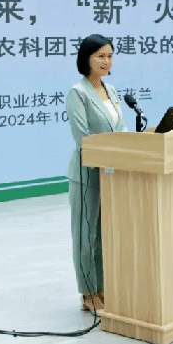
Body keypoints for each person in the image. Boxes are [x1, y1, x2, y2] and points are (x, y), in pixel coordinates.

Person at [65, 34, 128, 312]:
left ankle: (102, 286)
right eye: (100, 56)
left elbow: (120, 130)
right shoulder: (77, 93)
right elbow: (83, 138)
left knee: (103, 235)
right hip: (87, 173)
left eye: (110, 56)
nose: (106, 61)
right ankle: (87, 292)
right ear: (87, 59)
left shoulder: (111, 90)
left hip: (111, 174)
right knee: (85, 235)